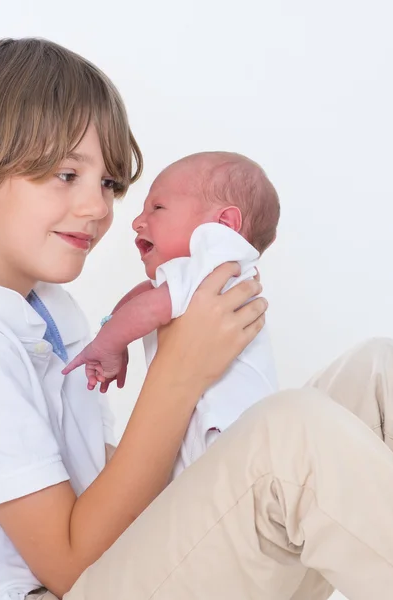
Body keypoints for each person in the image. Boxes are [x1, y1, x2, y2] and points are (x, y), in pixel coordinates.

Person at [0, 37, 393, 600]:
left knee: (383, 374)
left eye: (108, 183)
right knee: (293, 433)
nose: (98, 208)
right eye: (66, 175)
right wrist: (179, 375)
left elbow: (101, 488)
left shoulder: (44, 314)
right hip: (64, 584)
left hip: (104, 569)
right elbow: (70, 566)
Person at [63, 151, 280, 479]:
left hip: (230, 449)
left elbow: (150, 306)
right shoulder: (202, 278)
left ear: (222, 227)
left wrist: (107, 345)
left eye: (158, 208)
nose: (138, 221)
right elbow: (147, 295)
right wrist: (113, 332)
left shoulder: (217, 262)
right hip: (218, 447)